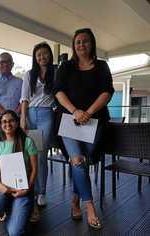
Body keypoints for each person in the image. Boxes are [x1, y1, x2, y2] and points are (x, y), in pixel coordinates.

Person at [54, 28, 114, 230]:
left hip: (94, 123)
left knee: (82, 163)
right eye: (78, 42)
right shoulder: (66, 66)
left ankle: (74, 201)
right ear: (74, 45)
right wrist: (75, 111)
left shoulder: (102, 66)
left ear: (92, 44)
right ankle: (90, 208)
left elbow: (107, 92)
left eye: (85, 41)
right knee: (78, 161)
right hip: (69, 122)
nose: (81, 45)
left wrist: (88, 112)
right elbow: (58, 91)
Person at [0, 110, 37, 236]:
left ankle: (22, 208)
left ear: (17, 122)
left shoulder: (28, 142)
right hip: (4, 186)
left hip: (23, 188)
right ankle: (8, 207)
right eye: (4, 121)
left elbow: (35, 169)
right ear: (0, 125)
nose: (7, 124)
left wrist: (27, 188)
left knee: (15, 232)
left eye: (11, 120)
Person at [20, 42, 56, 207]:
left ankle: (41, 192)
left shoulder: (55, 73)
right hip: (30, 115)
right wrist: (22, 118)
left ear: (50, 55)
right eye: (39, 55)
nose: (42, 57)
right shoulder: (29, 74)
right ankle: (30, 189)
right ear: (35, 58)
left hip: (47, 114)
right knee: (30, 153)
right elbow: (24, 98)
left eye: (45, 54)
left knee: (41, 154)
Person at [0, 52, 22, 145]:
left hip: (16, 121)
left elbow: (23, 101)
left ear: (12, 64)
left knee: (15, 150)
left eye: (8, 62)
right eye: (2, 62)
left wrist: (13, 116)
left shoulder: (20, 82)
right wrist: (7, 116)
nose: (5, 64)